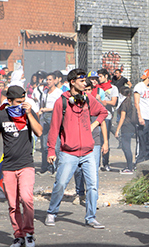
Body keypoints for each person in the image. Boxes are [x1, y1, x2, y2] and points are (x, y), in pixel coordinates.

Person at [45, 69, 108, 229]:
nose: (85, 83)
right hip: (68, 153)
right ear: (72, 82)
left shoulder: (87, 99)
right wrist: (51, 150)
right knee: (60, 184)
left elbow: (103, 112)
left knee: (92, 186)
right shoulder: (61, 102)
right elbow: (54, 129)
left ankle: (91, 217)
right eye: (81, 80)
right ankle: (52, 212)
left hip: (88, 152)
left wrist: (94, 125)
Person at [0, 85, 42, 247]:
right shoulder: (1, 115)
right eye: (18, 102)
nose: (21, 104)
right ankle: (18, 236)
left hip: (26, 164)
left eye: (23, 101)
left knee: (27, 198)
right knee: (13, 204)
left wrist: (29, 113)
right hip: (8, 166)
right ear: (9, 101)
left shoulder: (28, 112)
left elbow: (39, 132)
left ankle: (29, 233)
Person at [73, 79, 109, 205]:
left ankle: (93, 198)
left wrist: (106, 142)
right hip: (79, 140)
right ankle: (80, 193)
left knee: (93, 170)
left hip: (95, 140)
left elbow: (103, 123)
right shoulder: (77, 102)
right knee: (78, 169)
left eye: (89, 90)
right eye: (85, 89)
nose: (87, 92)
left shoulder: (95, 104)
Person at [38, 73, 63, 174]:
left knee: (55, 143)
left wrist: (46, 109)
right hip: (45, 117)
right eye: (47, 80)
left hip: (53, 115)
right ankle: (45, 167)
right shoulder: (45, 92)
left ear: (55, 80)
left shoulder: (58, 92)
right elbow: (42, 103)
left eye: (50, 80)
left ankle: (55, 167)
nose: (48, 82)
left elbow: (59, 107)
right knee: (44, 144)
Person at [134, 69, 149, 164]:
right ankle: (138, 162)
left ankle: (148, 161)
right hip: (142, 118)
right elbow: (136, 102)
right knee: (142, 141)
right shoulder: (139, 86)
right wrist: (140, 117)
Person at [115, 87, 135, 174]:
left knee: (126, 147)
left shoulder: (124, 103)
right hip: (131, 126)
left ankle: (130, 167)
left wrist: (117, 130)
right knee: (127, 147)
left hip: (126, 127)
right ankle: (130, 166)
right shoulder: (130, 101)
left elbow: (122, 117)